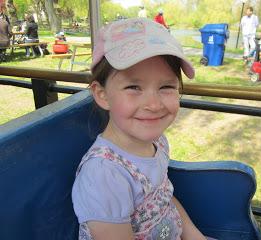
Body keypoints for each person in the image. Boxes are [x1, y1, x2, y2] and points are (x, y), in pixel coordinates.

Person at [72, 18, 211, 240]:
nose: (154, 105)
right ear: (102, 95)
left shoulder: (158, 142)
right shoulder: (105, 175)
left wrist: (196, 236)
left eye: (166, 87)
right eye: (133, 87)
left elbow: (163, 197)